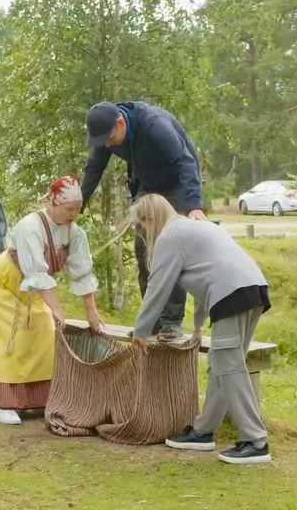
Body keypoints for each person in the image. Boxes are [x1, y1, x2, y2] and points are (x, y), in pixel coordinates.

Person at [129, 194, 272, 465]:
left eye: (142, 225)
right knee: (221, 363)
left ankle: (256, 442)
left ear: (150, 218)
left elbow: (159, 285)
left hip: (232, 295)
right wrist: (197, 326)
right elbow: (206, 278)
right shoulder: (194, 226)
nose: (144, 232)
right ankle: (203, 431)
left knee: (229, 366)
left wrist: (141, 330)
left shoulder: (170, 235)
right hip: (251, 290)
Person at [0, 176, 103, 425]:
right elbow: (36, 272)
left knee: (43, 334)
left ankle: (37, 399)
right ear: (53, 202)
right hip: (5, 283)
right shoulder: (30, 226)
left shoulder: (74, 233)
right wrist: (55, 307)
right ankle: (6, 403)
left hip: (33, 290)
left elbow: (82, 272)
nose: (74, 214)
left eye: (77, 209)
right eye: (69, 209)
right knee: (9, 339)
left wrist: (91, 312)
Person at [81, 101, 206, 340]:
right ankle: (153, 321)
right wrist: (77, 206)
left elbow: (186, 162)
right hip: (147, 187)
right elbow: (93, 169)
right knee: (143, 250)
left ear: (121, 122)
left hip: (177, 186)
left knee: (171, 249)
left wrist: (194, 206)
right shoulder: (107, 133)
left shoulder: (154, 125)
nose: (107, 145)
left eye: (109, 139)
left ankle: (171, 321)